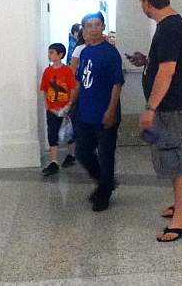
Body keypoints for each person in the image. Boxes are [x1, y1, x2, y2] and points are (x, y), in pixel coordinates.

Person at [128, 0, 182, 242]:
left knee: (176, 159)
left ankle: (179, 221)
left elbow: (168, 71)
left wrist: (150, 108)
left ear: (147, 3)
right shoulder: (169, 26)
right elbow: (165, 64)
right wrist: (147, 62)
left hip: (171, 108)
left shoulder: (169, 27)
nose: (142, 7)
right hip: (170, 106)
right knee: (172, 156)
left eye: (141, 2)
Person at [73, 12, 124, 212]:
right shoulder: (84, 52)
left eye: (97, 25)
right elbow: (79, 81)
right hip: (85, 113)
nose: (93, 29)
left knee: (105, 155)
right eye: (89, 26)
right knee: (82, 152)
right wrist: (72, 101)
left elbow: (117, 84)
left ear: (102, 27)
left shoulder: (110, 53)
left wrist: (111, 110)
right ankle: (105, 182)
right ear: (84, 30)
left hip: (105, 115)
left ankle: (104, 193)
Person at [40, 43, 77, 176]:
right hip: (52, 109)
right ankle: (53, 161)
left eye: (52, 52)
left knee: (68, 132)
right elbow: (44, 89)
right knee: (52, 133)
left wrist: (69, 104)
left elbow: (72, 88)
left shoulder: (67, 71)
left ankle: (71, 154)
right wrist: (47, 105)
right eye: (49, 52)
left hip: (65, 108)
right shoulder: (47, 71)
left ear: (60, 55)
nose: (49, 55)